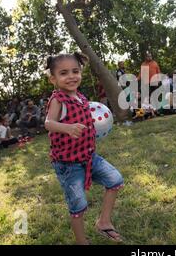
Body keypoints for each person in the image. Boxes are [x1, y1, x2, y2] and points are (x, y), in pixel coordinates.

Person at [44, 52, 124, 245]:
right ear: (53, 78)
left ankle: (104, 222)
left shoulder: (81, 96)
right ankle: (82, 242)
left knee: (115, 180)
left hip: (89, 157)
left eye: (75, 71)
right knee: (78, 205)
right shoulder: (58, 99)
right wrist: (67, 128)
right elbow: (48, 123)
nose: (71, 76)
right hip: (68, 164)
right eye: (64, 73)